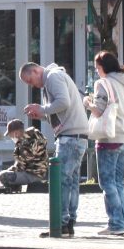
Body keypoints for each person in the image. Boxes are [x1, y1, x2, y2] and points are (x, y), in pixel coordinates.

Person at [20, 61, 88, 238]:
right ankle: (69, 223)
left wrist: (41, 108)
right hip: (76, 136)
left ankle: (62, 223)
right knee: (71, 182)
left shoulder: (52, 77)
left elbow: (63, 102)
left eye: (30, 81)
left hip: (70, 138)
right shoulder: (54, 78)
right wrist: (42, 115)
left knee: (62, 181)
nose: (32, 85)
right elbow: (59, 113)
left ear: (35, 70)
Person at [84, 51, 124, 236]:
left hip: (108, 137)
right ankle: (123, 222)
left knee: (107, 182)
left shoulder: (103, 83)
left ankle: (115, 224)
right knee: (118, 182)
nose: (97, 72)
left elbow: (98, 111)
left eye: (97, 68)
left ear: (103, 67)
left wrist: (87, 103)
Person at [0, 119, 48, 195]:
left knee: (3, 175)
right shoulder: (33, 137)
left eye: (10, 135)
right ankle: (12, 186)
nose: (10, 137)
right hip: (40, 173)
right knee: (10, 173)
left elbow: (21, 166)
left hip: (33, 174)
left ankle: (12, 186)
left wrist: (10, 170)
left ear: (16, 133)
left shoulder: (25, 143)